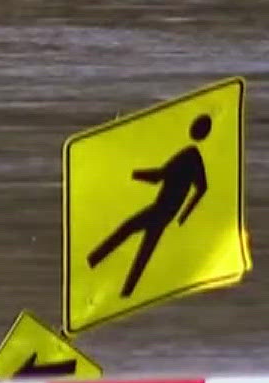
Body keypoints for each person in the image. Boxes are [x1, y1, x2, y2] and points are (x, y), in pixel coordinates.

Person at [85, 114, 211, 297]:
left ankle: (92, 262)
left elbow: (159, 176)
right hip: (165, 214)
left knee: (128, 231)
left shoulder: (190, 156)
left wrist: (131, 173)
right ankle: (124, 292)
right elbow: (201, 187)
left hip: (159, 211)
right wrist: (183, 215)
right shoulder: (192, 157)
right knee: (142, 253)